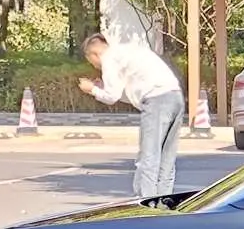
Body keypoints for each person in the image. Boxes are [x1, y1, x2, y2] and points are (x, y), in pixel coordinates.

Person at [79, 32, 186, 199]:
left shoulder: (109, 58)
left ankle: (146, 203)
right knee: (167, 158)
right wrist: (102, 88)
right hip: (175, 96)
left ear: (94, 54)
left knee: (148, 157)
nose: (94, 66)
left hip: (156, 100)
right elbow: (131, 93)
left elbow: (111, 97)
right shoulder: (127, 51)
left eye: (91, 61)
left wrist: (91, 89)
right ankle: (164, 201)